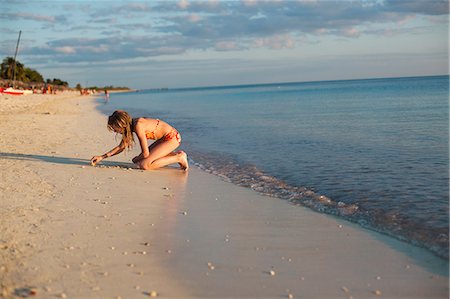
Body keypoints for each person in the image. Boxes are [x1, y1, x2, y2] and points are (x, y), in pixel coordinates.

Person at [90, 110, 188, 171]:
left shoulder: (138, 126)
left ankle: (179, 157)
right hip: (163, 139)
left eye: (115, 128)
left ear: (121, 124)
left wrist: (138, 158)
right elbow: (121, 147)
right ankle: (173, 154)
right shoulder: (129, 127)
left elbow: (145, 153)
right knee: (137, 161)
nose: (115, 131)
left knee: (144, 165)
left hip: (172, 138)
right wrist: (102, 157)